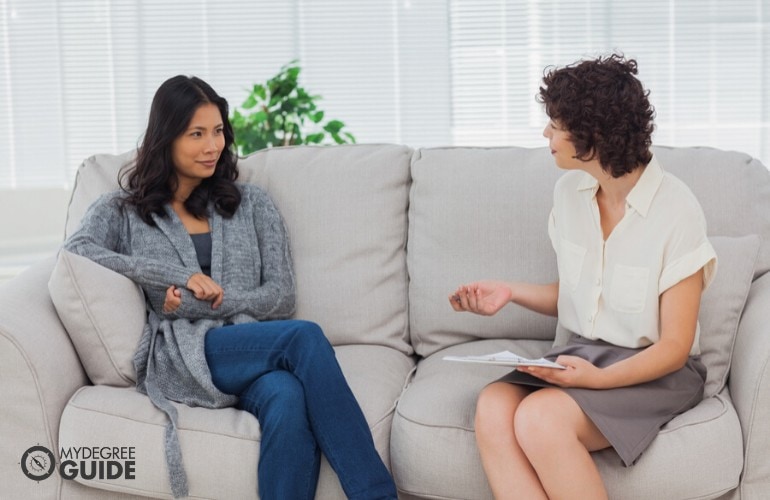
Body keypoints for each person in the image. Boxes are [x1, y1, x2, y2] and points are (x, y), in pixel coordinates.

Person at [63, 75, 397, 500]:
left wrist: (197, 303)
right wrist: (172, 276)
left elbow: (281, 296)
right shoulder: (123, 210)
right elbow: (77, 250)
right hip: (187, 354)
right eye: (196, 134)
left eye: (218, 131)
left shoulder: (252, 203)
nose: (212, 146)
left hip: (250, 347)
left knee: (287, 394)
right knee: (304, 337)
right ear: (165, 138)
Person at [449, 54, 717, 500]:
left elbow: (674, 346)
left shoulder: (677, 210)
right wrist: (510, 291)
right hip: (583, 353)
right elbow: (588, 296)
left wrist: (596, 380)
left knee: (539, 418)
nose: (546, 135)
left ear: (592, 135)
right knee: (494, 405)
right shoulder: (568, 193)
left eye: (555, 125)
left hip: (655, 370)